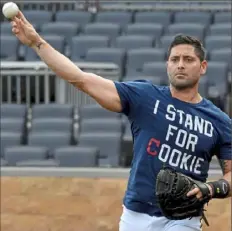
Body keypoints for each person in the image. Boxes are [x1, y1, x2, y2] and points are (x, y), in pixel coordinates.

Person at [10, 11, 231, 231]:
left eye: (188, 59)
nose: (180, 65)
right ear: (167, 65)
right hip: (136, 214)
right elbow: (81, 79)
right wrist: (37, 42)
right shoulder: (145, 97)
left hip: (184, 218)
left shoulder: (219, 121)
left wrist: (212, 189)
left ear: (202, 67)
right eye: (175, 59)